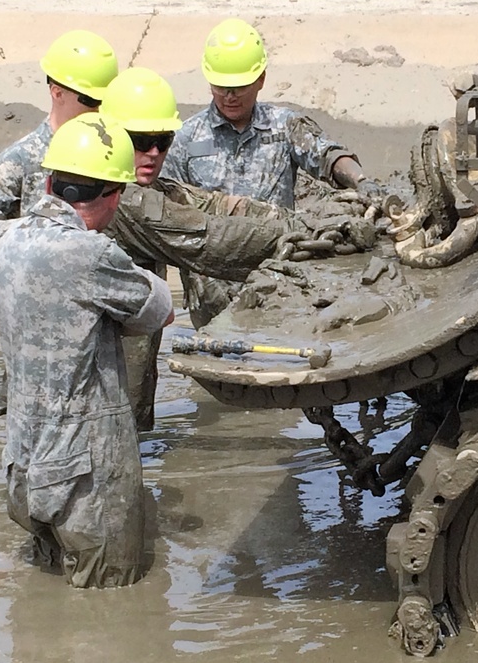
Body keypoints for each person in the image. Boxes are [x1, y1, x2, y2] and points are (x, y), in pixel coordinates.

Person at [0, 113, 174, 589]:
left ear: (50, 181)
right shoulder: (94, 255)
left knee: (40, 612)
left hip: (24, 467)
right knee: (112, 609)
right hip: (88, 482)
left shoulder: (2, 239)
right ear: (114, 195)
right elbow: (161, 310)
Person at [99, 66, 322, 429]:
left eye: (163, 141)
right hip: (97, 404)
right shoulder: (121, 200)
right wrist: (305, 237)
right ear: (112, 137)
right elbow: (210, 239)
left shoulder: (149, 190)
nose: (154, 153)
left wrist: (314, 224)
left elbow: (219, 207)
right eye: (141, 141)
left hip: (114, 394)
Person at [161, 17, 384, 211]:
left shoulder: (284, 126)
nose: (229, 96)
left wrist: (361, 181)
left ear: (261, 80)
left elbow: (327, 156)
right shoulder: (185, 139)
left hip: (279, 252)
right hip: (210, 253)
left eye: (239, 87)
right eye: (221, 87)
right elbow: (168, 205)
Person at [0, 29, 119, 252]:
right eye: (90, 99)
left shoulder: (118, 150)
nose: (98, 108)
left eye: (105, 99)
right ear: (57, 92)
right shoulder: (21, 160)